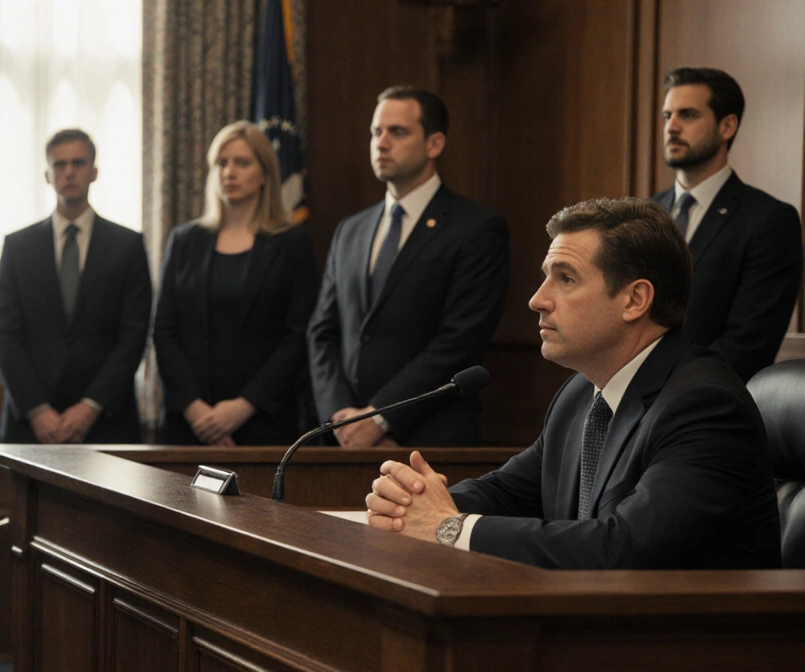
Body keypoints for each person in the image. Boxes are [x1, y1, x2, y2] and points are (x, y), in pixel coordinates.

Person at [365, 197, 781, 570]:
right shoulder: (582, 392)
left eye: (565, 279)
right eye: (546, 275)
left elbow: (623, 548)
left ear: (635, 300)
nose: (537, 299)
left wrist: (450, 529)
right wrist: (416, 502)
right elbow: (508, 491)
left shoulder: (705, 406)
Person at [307, 86, 509, 448]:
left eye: (397, 132)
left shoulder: (476, 228)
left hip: (426, 439)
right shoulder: (350, 229)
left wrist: (380, 418)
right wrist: (341, 418)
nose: (381, 143)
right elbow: (322, 332)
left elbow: (460, 341)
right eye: (376, 132)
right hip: (342, 440)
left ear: (434, 144)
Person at [152, 121, 317, 445]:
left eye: (242, 163)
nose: (229, 172)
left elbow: (298, 334)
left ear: (265, 174)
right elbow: (164, 331)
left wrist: (243, 407)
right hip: (189, 427)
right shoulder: (184, 240)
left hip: (262, 426)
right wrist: (196, 410)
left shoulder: (291, 242)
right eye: (221, 163)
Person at [0, 129, 150, 444]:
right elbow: (7, 334)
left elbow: (133, 335)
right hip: (32, 424)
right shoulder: (17, 246)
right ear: (47, 175)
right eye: (59, 164)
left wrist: (91, 406)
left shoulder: (127, 245)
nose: (69, 171)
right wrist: (37, 410)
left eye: (78, 163)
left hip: (106, 422)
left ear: (93, 172)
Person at [652, 67, 803, 382]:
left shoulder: (769, 221)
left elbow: (748, 346)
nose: (672, 127)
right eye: (667, 116)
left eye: (688, 115)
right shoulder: (645, 213)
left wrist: (658, 387)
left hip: (703, 405)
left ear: (727, 126)